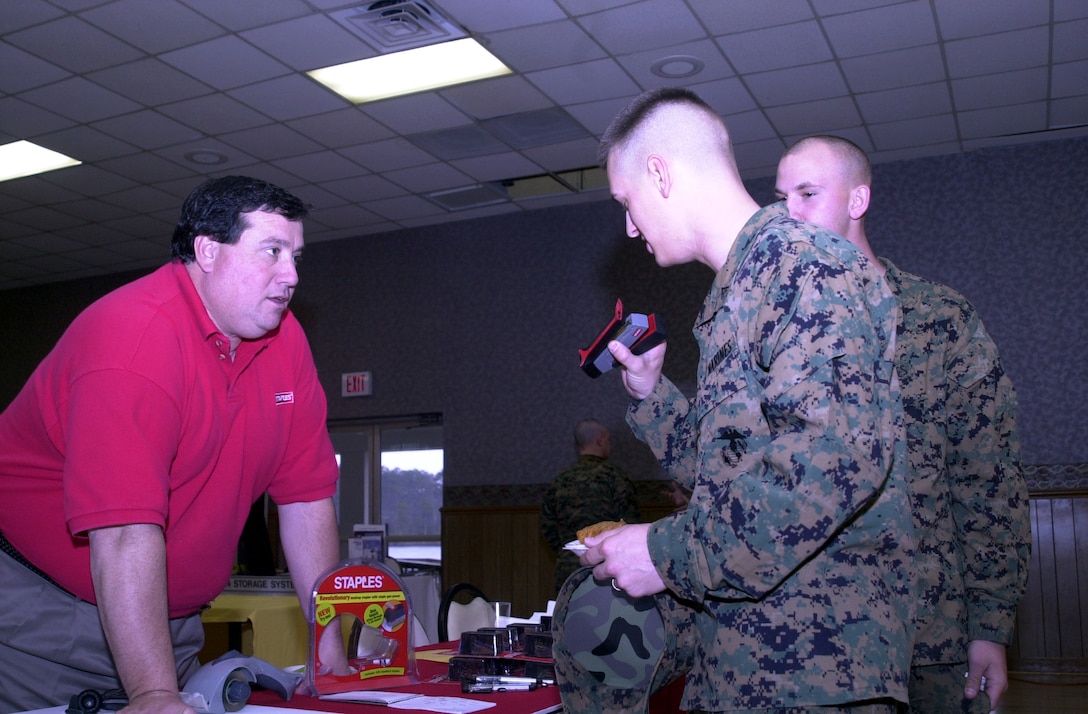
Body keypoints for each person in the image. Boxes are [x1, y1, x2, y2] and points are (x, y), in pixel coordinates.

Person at [577, 86, 918, 713]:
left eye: (627, 202)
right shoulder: (742, 288)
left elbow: (828, 467)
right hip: (753, 662)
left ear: (660, 173)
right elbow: (731, 475)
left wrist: (665, 553)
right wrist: (652, 396)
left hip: (815, 671)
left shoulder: (803, 266)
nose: (629, 226)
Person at [0, 176, 344, 714]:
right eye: (272, 252)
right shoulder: (132, 337)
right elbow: (121, 532)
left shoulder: (285, 339)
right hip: (42, 625)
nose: (292, 275)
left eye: (296, 256)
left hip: (168, 624)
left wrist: (330, 657)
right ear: (208, 250)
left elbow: (305, 500)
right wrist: (155, 694)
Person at [775, 135, 1031, 714]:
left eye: (808, 193)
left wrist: (991, 622)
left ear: (857, 199)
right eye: (782, 196)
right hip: (811, 635)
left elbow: (988, 477)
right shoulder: (781, 327)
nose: (789, 211)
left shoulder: (939, 317)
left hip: (930, 635)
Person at [541, 419, 641, 593]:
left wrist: (570, 548)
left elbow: (548, 527)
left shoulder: (560, 480)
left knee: (568, 618)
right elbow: (630, 524)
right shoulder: (615, 477)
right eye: (608, 440)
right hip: (607, 565)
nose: (609, 445)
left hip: (569, 567)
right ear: (600, 439)